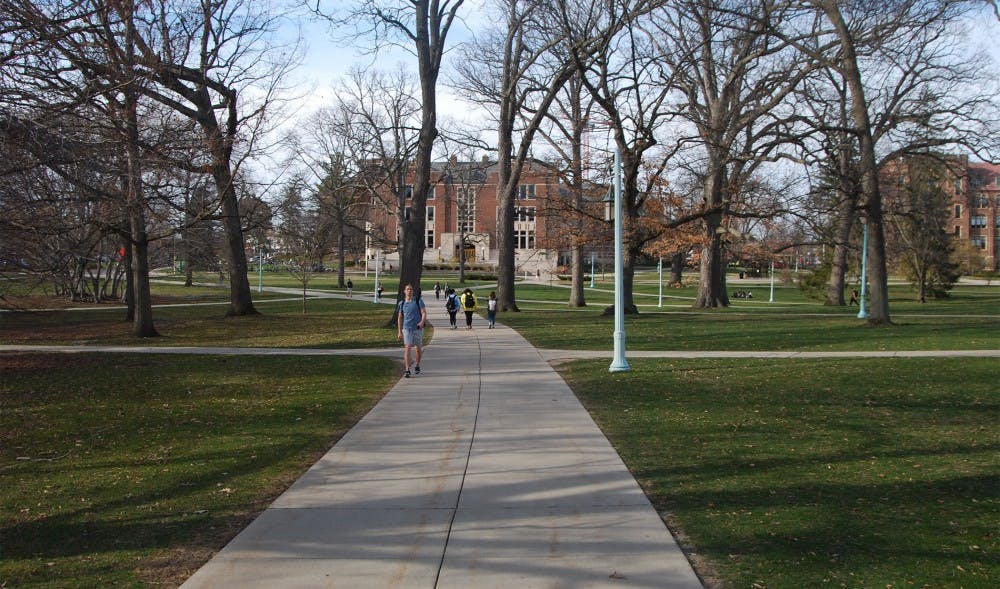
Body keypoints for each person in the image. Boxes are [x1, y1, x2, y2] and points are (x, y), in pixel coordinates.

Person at [396, 284, 427, 378]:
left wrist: (422, 322)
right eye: (407, 289)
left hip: (418, 328)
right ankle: (407, 369)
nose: (409, 291)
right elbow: (400, 318)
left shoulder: (418, 301)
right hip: (407, 328)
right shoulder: (401, 303)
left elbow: (424, 313)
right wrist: (399, 332)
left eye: (411, 289)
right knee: (408, 347)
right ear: (404, 291)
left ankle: (417, 365)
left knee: (418, 349)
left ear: (413, 291)